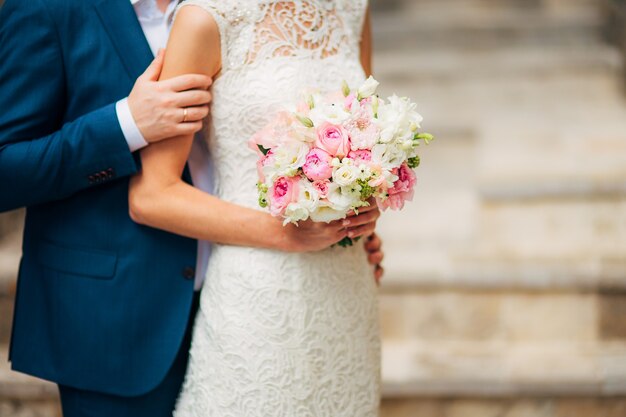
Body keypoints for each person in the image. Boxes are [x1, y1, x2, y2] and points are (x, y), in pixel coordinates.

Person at [0, 0, 384, 416]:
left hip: (256, 297)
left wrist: (340, 212)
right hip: (118, 312)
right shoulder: (48, 7)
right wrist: (126, 123)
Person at [128, 1, 382, 415]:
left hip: (347, 289)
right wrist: (285, 233)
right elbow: (152, 194)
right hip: (259, 292)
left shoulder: (352, 8)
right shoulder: (205, 19)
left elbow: (363, 144)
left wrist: (364, 209)